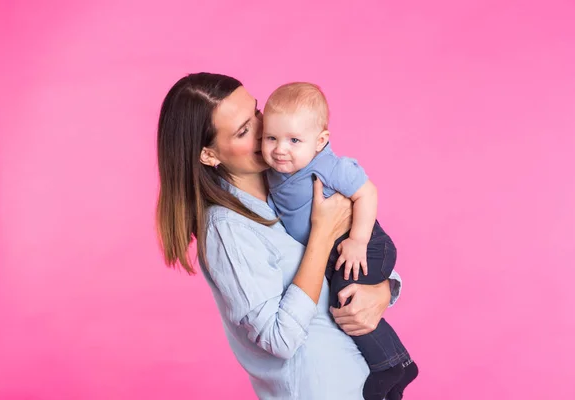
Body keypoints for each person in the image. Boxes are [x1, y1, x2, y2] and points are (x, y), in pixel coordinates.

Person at [156, 72, 407, 400]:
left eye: (257, 112)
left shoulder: (289, 180)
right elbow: (279, 339)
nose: (264, 130)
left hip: (362, 381)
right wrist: (322, 233)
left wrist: (383, 290)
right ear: (209, 155)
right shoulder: (226, 230)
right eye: (245, 131)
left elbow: (356, 250)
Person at [261, 82, 418, 400]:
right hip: (337, 252)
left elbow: (367, 192)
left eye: (294, 140)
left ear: (320, 142)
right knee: (343, 300)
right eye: (271, 138)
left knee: (345, 300)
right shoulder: (273, 170)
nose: (280, 149)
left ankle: (390, 365)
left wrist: (358, 240)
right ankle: (398, 362)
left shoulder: (328, 165)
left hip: (367, 246)